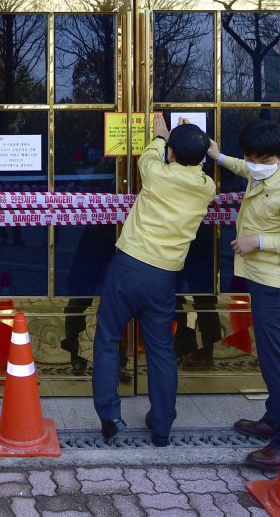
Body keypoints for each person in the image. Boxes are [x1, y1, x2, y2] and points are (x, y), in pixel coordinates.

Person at [207, 118, 280, 470]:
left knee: (277, 365)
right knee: (271, 357)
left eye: (263, 158)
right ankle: (274, 418)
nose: (254, 164)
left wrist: (258, 241)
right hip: (265, 278)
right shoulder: (267, 169)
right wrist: (219, 157)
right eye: (251, 157)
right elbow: (250, 168)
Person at [92, 114, 216, 446]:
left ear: (171, 153)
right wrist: (193, 142)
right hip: (164, 275)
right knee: (161, 349)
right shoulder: (207, 187)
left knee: (107, 339)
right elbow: (194, 166)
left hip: (129, 266)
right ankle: (161, 425)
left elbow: (148, 156)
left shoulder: (156, 173)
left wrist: (161, 136)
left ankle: (110, 417)